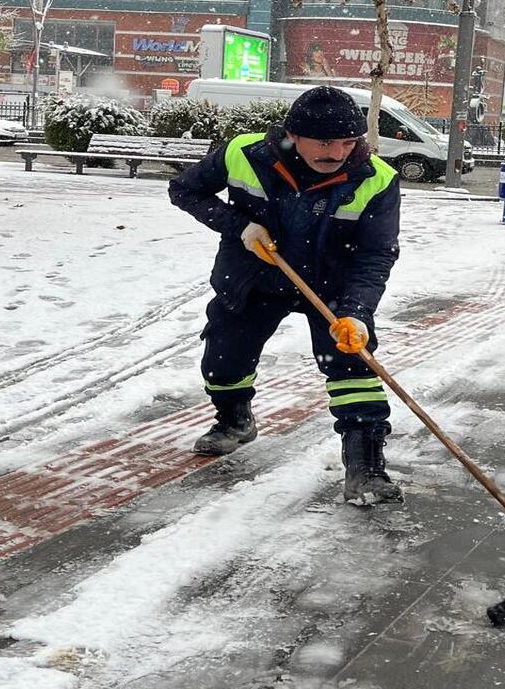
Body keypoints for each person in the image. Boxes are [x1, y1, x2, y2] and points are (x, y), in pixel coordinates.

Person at [168, 86, 403, 506]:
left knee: (353, 367)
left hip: (331, 287)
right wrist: (239, 226)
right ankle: (234, 419)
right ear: (294, 134)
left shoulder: (376, 179)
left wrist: (357, 314)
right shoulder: (244, 154)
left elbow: (375, 254)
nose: (337, 153)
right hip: (254, 277)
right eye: (325, 141)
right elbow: (185, 191)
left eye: (348, 142)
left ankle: (366, 468)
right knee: (224, 362)